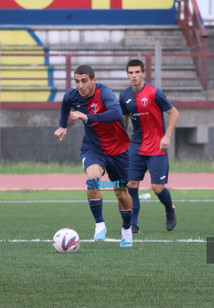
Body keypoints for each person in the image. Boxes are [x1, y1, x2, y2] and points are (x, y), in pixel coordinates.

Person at [54, 65, 133, 247]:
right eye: (77, 81)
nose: (80, 85)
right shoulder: (73, 95)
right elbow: (66, 101)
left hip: (118, 150)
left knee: (121, 193)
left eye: (84, 81)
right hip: (93, 148)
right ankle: (99, 224)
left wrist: (88, 117)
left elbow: (116, 113)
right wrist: (62, 126)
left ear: (93, 80)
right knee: (93, 179)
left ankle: (127, 230)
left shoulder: (104, 92)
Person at [119, 59, 179, 234]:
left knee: (158, 188)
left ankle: (170, 209)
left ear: (143, 73)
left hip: (156, 147)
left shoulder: (155, 93)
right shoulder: (124, 96)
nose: (134, 76)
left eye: (137, 72)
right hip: (136, 147)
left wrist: (166, 136)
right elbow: (124, 120)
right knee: (131, 184)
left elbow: (174, 113)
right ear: (127, 75)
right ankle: (134, 224)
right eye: (131, 72)